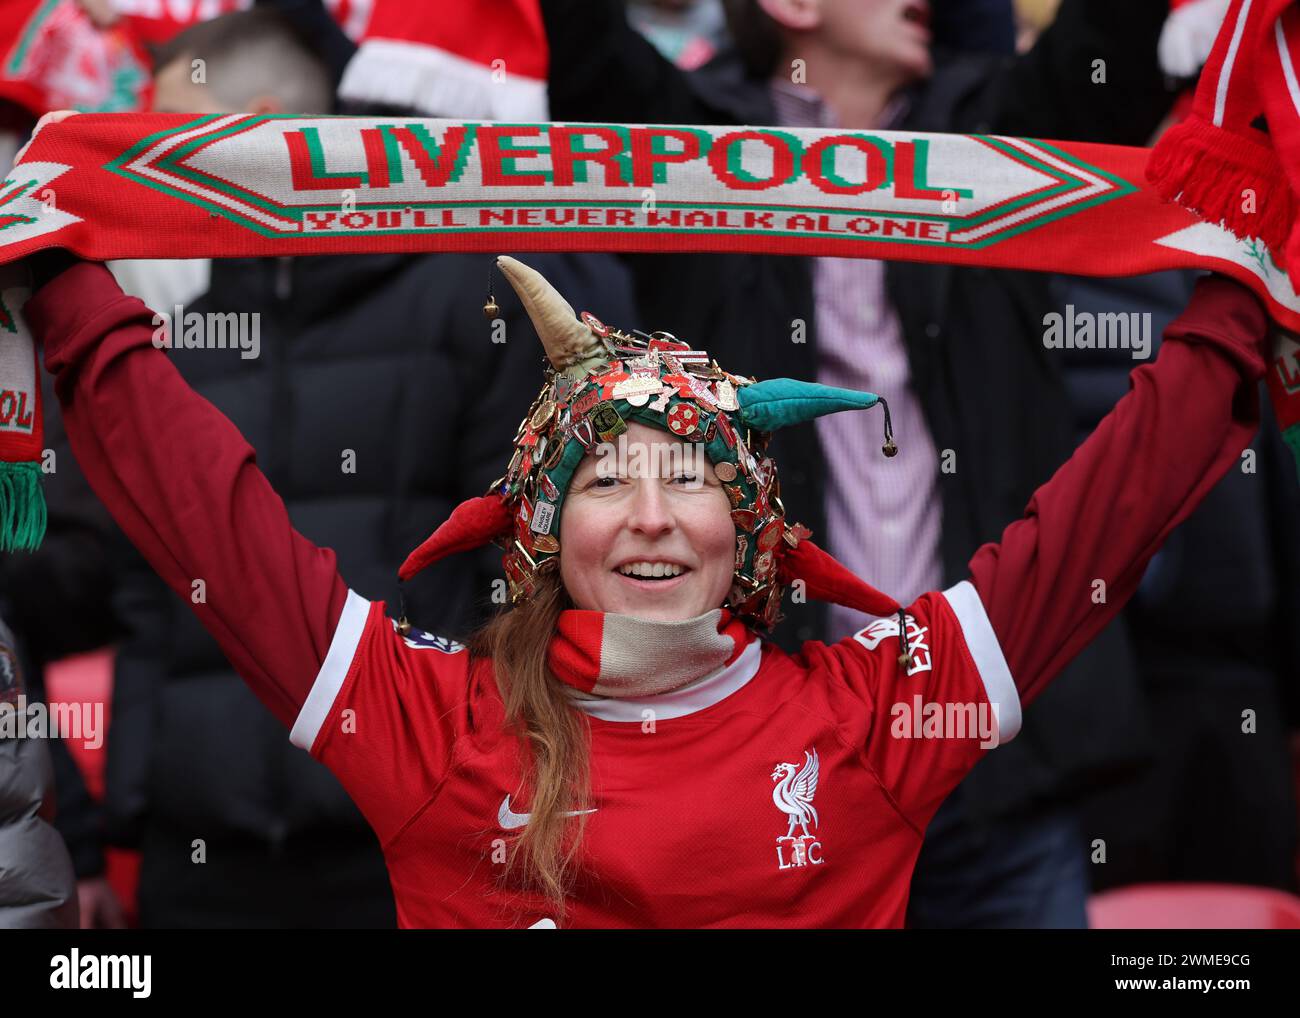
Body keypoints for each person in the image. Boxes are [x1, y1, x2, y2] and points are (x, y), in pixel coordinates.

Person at [22, 208, 1272, 923]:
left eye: (695, 479)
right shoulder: (431, 723)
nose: (652, 517)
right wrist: (64, 281)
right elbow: (214, 528)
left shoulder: (878, 715)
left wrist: (1242, 304)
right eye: (604, 481)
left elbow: (1100, 522)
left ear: (755, 535)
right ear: (544, 540)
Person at [540, 0, 1177, 926]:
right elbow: (580, 43)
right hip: (786, 765)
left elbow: (1112, 45)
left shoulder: (989, 134)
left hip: (993, 756)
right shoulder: (690, 148)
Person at [59, 10, 637, 929]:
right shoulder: (176, 337)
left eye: (162, 130)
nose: (142, 161)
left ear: (248, 128)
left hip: (408, 835)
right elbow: (145, 592)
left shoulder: (462, 304)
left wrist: (496, 782)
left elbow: (520, 569)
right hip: (197, 854)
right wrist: (119, 823)